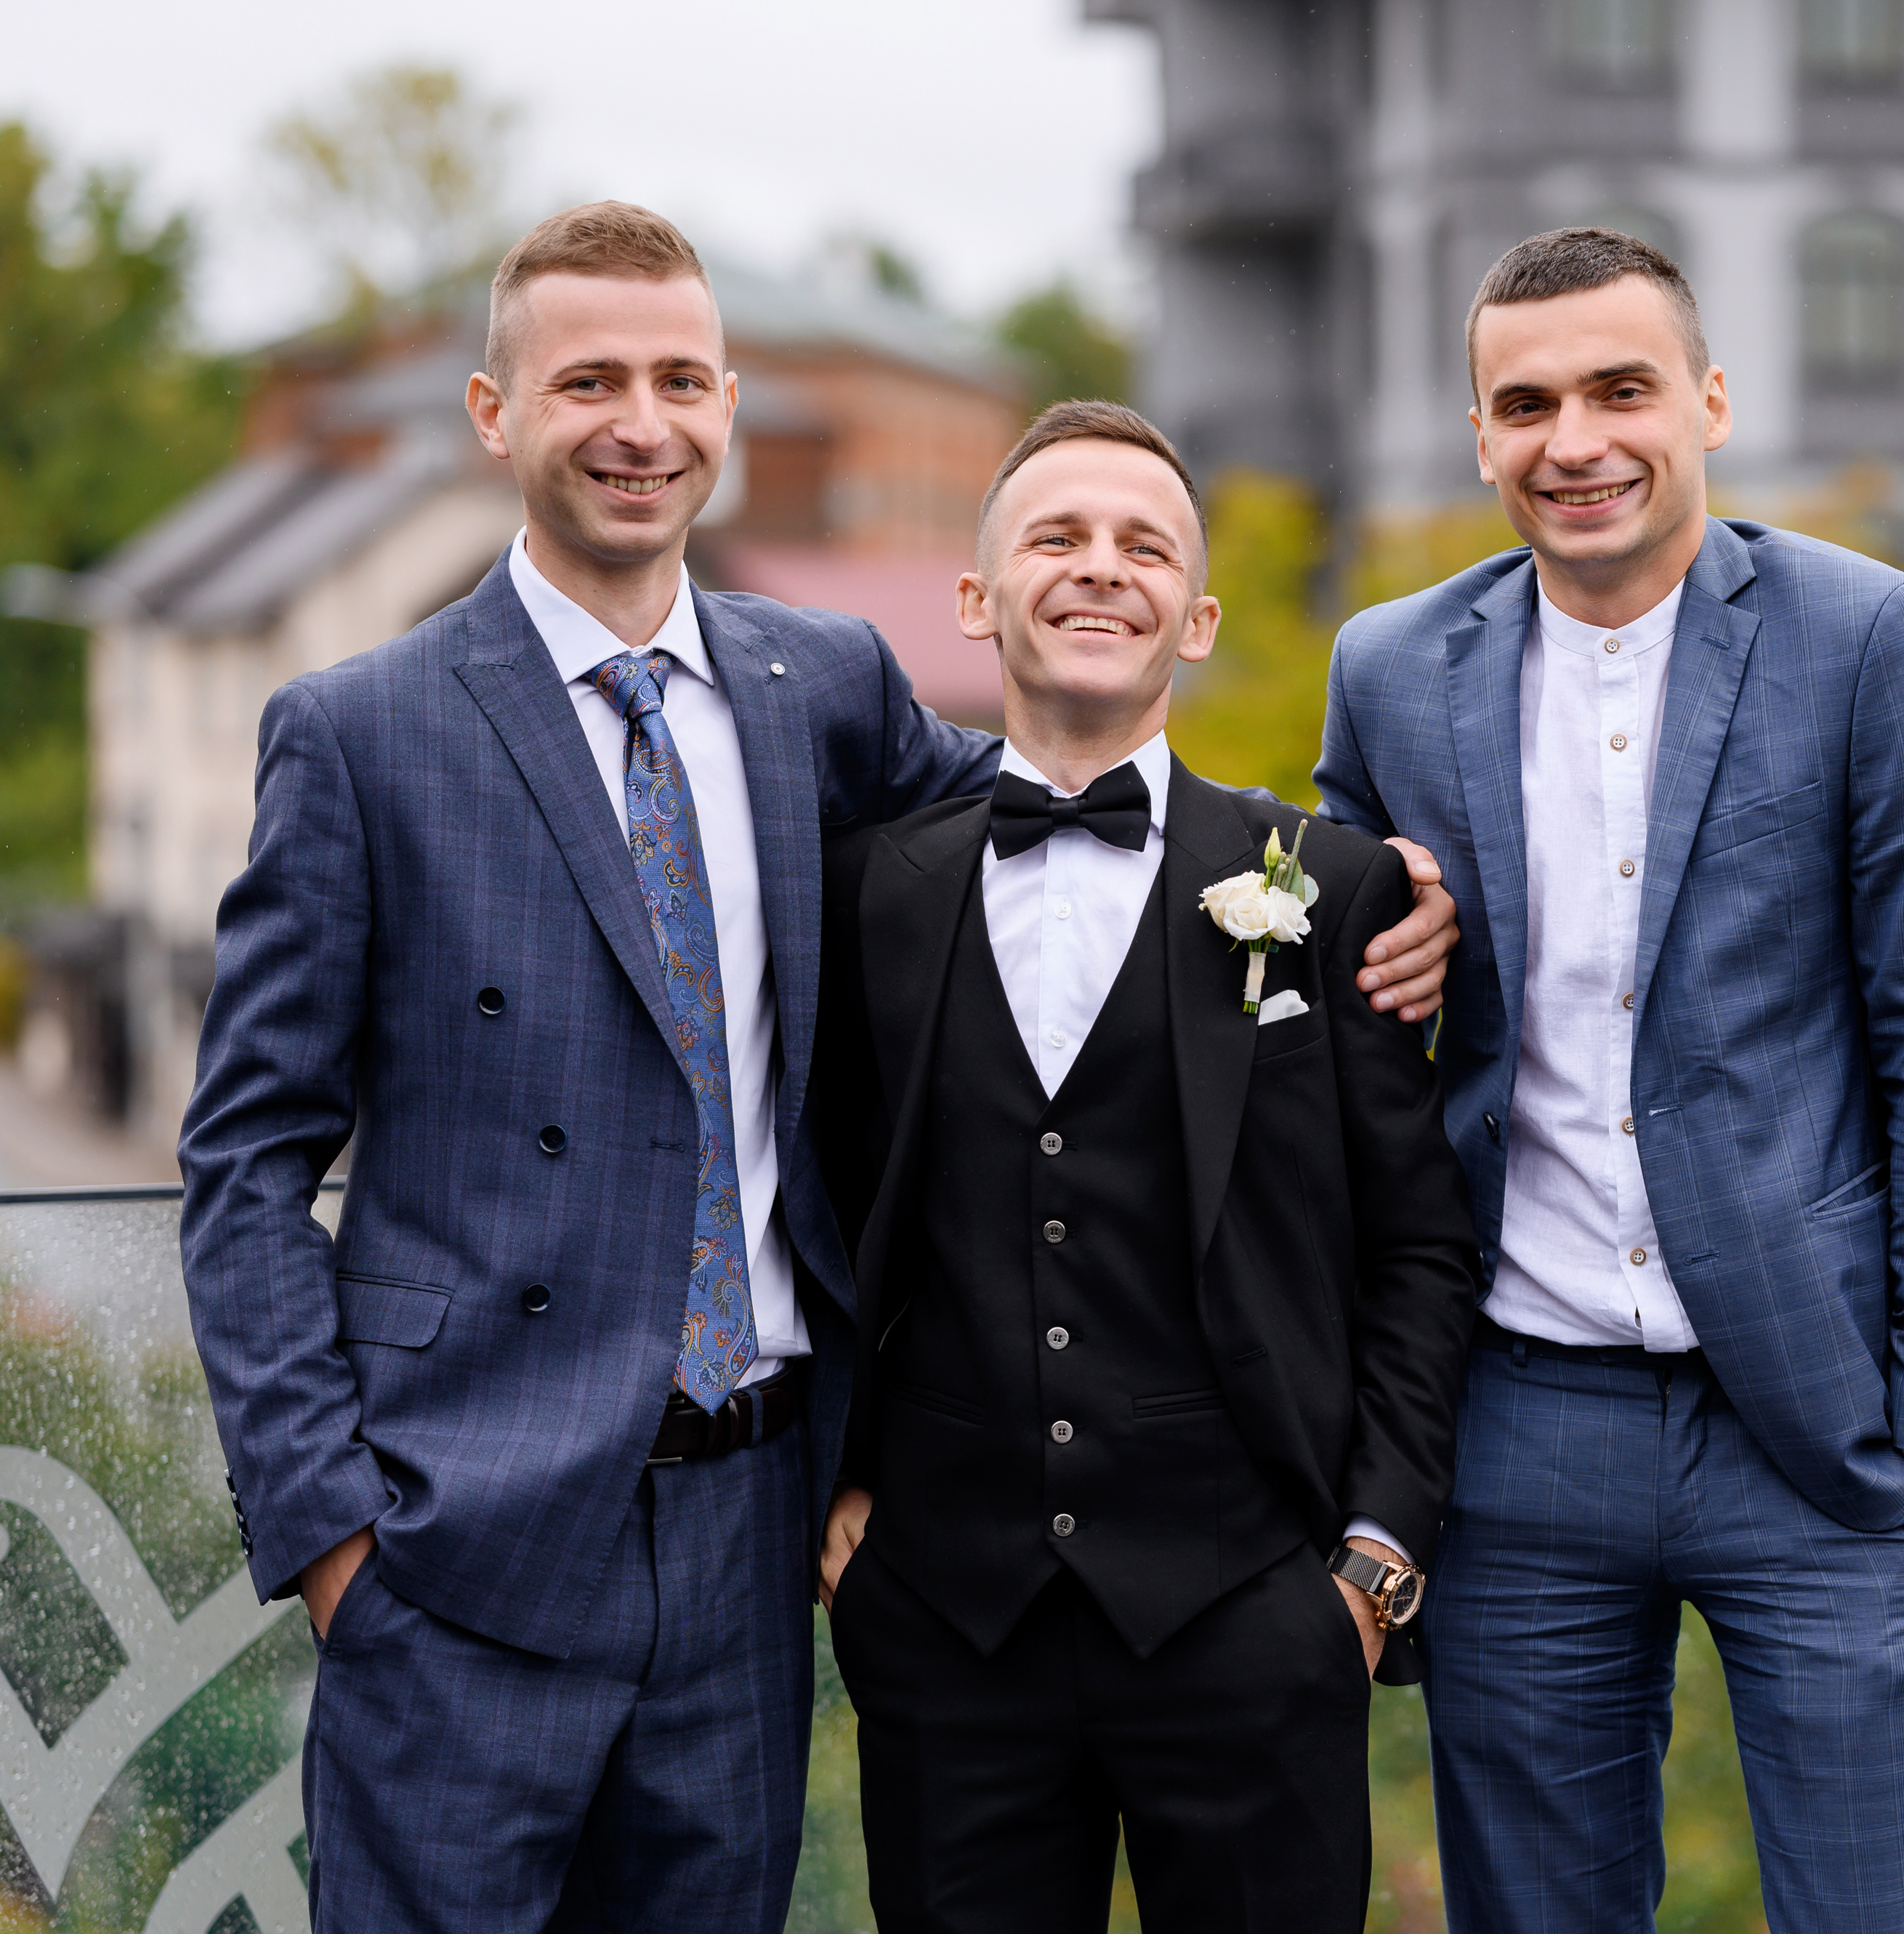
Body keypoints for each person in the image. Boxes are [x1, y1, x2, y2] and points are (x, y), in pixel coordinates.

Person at [178, 204, 1459, 1931]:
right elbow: (246, 1160)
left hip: (752, 1541)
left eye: (681, 378)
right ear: (493, 412)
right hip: (457, 1545)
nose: (642, 420)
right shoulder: (356, 731)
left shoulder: (823, 686)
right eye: (589, 381)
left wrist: (1353, 888)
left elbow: (1079, 785)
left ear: (728, 405)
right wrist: (334, 1536)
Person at [1312, 227, 1904, 1933]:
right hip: (1518, 1418)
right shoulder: (1387, 667)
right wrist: (1387, 946)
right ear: (1479, 436)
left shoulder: (1870, 637)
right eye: (1526, 403)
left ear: (1706, 400)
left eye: (1619, 389)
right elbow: (1339, 1039)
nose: (1575, 440)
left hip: (1820, 1418)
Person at [810, 399, 1482, 1933]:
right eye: (1054, 536)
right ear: (976, 600)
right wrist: (831, 1491)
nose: (1098, 568)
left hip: (1255, 1615)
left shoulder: (1327, 886)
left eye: (1141, 545)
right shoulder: (867, 891)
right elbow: (820, 1207)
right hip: (947, 1623)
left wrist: (1370, 1563)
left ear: (1198, 613)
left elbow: (1418, 1247)